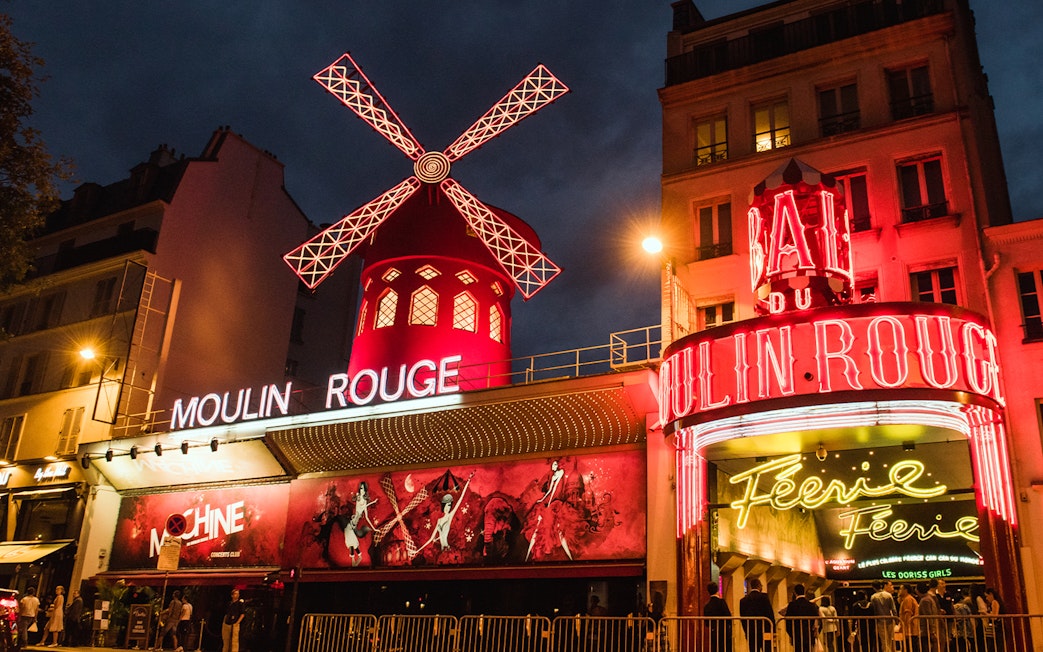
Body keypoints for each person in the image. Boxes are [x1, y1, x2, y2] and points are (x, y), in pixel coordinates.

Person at [739, 578, 774, 652]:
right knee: (767, 649)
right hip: (764, 630)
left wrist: (746, 631)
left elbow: (743, 618)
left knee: (753, 649)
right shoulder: (764, 598)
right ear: (759, 586)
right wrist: (772, 630)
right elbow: (770, 614)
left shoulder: (743, 601)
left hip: (751, 631)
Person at [783, 583, 819, 652]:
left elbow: (788, 621)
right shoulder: (810, 605)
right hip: (808, 634)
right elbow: (816, 619)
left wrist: (791, 634)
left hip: (796, 634)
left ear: (795, 593)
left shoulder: (792, 605)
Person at [704, 582, 732, 652]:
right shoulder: (722, 602)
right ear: (717, 590)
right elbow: (728, 617)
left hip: (714, 632)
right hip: (724, 631)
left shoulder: (707, 606)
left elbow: (707, 623)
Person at [918, 580, 942, 652]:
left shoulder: (925, 600)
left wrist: (932, 631)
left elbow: (928, 616)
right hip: (929, 629)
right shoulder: (930, 598)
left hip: (926, 631)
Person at [897, 583, 919, 650]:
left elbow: (908, 614)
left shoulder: (908, 599)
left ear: (905, 590)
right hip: (911, 630)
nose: (899, 591)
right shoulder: (908, 599)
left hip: (910, 631)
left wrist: (906, 630)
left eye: (900, 589)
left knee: (908, 648)